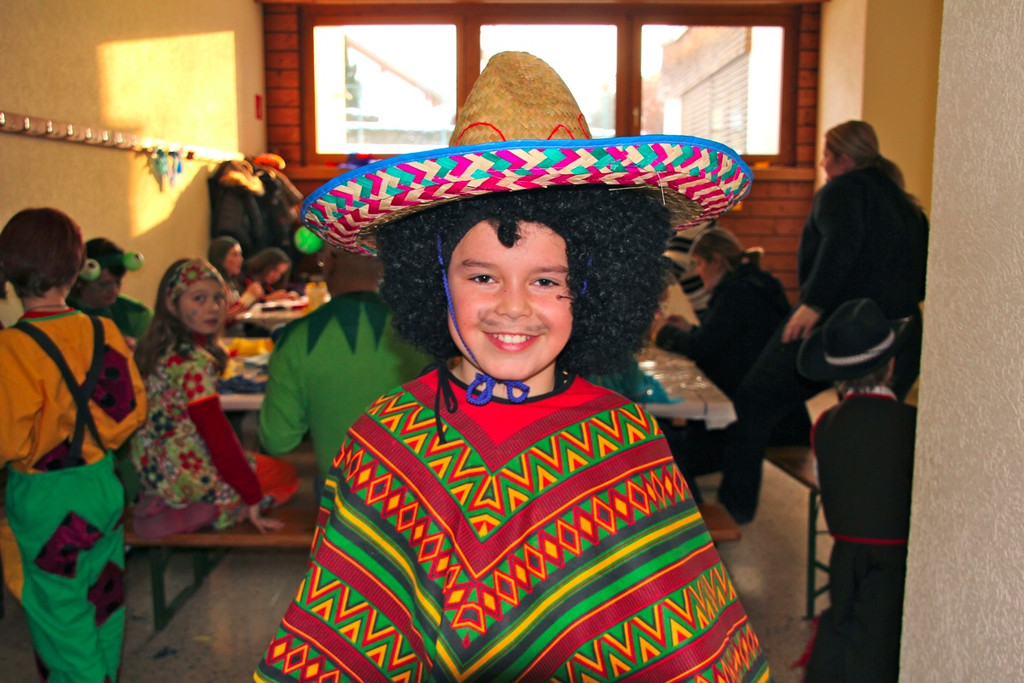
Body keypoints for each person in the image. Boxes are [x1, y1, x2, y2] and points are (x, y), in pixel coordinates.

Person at [256, 51, 769, 682]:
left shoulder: (623, 438)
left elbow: (691, 649)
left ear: (596, 285)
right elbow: (340, 635)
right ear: (431, 279)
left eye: (548, 280)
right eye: (482, 277)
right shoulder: (385, 437)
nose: (513, 307)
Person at [718, 119, 929, 523]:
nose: (821, 163)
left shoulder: (840, 192)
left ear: (842, 159)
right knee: (872, 426)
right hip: (900, 331)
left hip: (837, 324)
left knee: (753, 400)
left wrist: (812, 305)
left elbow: (840, 248)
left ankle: (735, 510)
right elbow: (920, 275)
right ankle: (869, 521)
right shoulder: (908, 205)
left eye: (825, 155)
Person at [0, 207, 147, 682]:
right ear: (77, 267)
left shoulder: (11, 349)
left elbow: (8, 440)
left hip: (46, 502)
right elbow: (127, 414)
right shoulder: (103, 330)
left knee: (60, 617)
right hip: (100, 486)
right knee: (103, 599)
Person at [129, 258, 298, 537]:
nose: (213, 307)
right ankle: (216, 509)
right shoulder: (193, 363)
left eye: (218, 298)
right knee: (285, 474)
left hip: (154, 471)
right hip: (191, 472)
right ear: (171, 304)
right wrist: (251, 495)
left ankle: (172, 503)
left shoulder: (157, 351)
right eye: (199, 298)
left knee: (252, 466)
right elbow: (218, 438)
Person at [796, 298, 916, 682]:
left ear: (836, 376)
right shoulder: (913, 424)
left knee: (845, 629)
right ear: (892, 366)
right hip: (897, 559)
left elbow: (827, 482)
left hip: (845, 557)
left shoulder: (825, 424)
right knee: (880, 647)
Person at [258, 246, 430, 497]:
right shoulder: (424, 332)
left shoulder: (297, 339)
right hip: (422, 495)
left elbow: (277, 440)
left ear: (329, 261)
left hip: (344, 498)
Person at [652, 227, 793, 498]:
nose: (698, 272)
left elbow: (701, 348)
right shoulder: (756, 283)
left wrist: (663, 332)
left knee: (669, 440)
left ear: (716, 261)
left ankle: (697, 506)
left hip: (743, 403)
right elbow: (725, 340)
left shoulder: (737, 292)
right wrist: (688, 330)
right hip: (767, 399)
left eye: (700, 264)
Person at [68, 237, 153, 350]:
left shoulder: (138, 315)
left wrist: (137, 351)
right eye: (104, 285)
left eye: (118, 283)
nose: (114, 291)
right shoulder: (61, 311)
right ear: (80, 282)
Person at [208, 235, 264, 326]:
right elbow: (223, 319)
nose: (240, 260)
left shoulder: (233, 282)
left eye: (240, 255)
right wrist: (248, 297)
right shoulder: (215, 285)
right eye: (234, 255)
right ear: (220, 259)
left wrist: (257, 299)